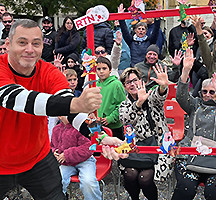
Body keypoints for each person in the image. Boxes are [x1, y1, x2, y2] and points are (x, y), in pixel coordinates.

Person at [0, 19, 111, 199]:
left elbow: (71, 110)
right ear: (8, 44)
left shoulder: (49, 71)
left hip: (37, 159)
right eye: (22, 42)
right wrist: (75, 104)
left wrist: (101, 137)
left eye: (36, 43)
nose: (30, 49)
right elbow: (18, 99)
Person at [172, 47, 216, 200]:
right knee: (185, 189)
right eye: (205, 91)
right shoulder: (195, 105)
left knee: (214, 191)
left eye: (212, 92)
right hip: (190, 156)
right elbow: (181, 96)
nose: (208, 95)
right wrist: (186, 71)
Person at [117, 66, 170, 200]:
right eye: (128, 82)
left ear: (141, 81)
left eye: (135, 80)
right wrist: (138, 103)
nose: (133, 84)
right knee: (130, 174)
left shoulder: (151, 97)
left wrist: (163, 87)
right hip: (135, 148)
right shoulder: (124, 105)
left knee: (144, 178)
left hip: (157, 146)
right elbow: (127, 120)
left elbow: (160, 96)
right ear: (124, 86)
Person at [52, 116, 102, 200]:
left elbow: (89, 147)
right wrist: (55, 152)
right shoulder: (56, 129)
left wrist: (67, 155)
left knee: (88, 182)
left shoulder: (80, 127)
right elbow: (52, 145)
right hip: (67, 164)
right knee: (57, 182)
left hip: (85, 161)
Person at [95, 57, 127, 138]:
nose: (101, 71)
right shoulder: (95, 85)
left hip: (115, 127)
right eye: (98, 69)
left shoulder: (116, 84)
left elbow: (122, 105)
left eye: (104, 68)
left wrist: (110, 118)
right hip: (99, 126)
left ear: (110, 70)